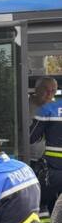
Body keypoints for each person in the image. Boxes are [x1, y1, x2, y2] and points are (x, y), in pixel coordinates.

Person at [28, 77, 62, 212]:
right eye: (46, 90)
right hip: (28, 158)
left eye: (53, 91)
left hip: (48, 164)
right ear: (36, 90)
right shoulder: (23, 105)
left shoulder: (54, 109)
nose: (49, 94)